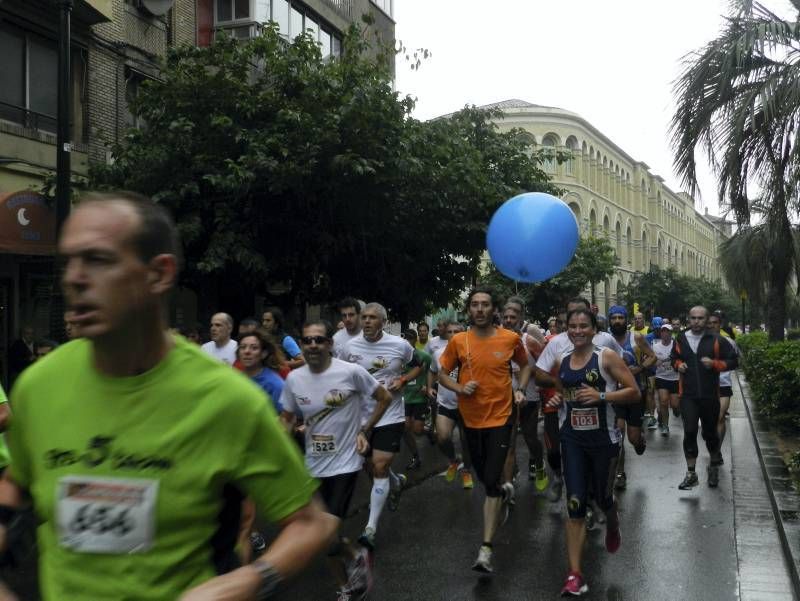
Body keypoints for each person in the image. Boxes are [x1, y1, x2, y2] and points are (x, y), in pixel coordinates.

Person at [0, 192, 337, 600]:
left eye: (99, 260)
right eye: (68, 261)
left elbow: (312, 523)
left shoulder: (227, 400)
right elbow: (16, 483)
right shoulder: (39, 386)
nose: (74, 277)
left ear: (159, 274)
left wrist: (246, 582)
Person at [280, 321, 393, 601]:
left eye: (319, 340)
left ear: (329, 344)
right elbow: (288, 418)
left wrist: (364, 429)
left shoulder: (351, 372)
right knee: (324, 537)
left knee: (325, 532)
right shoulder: (294, 380)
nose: (314, 345)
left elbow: (384, 397)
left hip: (345, 463)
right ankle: (347, 583)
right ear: (302, 345)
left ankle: (356, 558)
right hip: (313, 465)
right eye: (308, 341)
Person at [546, 308, 640, 597]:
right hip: (572, 440)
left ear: (593, 328)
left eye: (583, 326)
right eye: (572, 326)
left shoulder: (606, 357)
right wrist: (559, 398)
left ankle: (613, 525)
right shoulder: (562, 361)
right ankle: (575, 575)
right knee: (574, 503)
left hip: (604, 439)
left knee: (602, 497)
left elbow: (634, 391)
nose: (577, 331)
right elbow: (563, 394)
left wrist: (602, 396)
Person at [438, 286, 530, 574]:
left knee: (490, 476)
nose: (479, 309)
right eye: (474, 305)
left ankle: (486, 549)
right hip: (470, 418)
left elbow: (525, 366)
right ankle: (501, 491)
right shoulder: (458, 341)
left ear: (494, 310)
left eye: (485, 305)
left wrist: (521, 389)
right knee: (483, 478)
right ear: (468, 310)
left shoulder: (510, 338)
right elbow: (441, 372)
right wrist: (458, 387)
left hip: (502, 418)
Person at [340, 303, 421, 549]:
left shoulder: (400, 345)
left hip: (390, 414)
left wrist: (404, 379)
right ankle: (395, 483)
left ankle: (370, 527)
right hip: (361, 417)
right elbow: (341, 376)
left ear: (383, 322)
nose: (366, 321)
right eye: (364, 317)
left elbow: (420, 364)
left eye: (372, 318)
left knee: (380, 464)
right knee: (368, 465)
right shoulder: (349, 348)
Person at [535, 297, 624, 503]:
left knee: (595, 468)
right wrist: (563, 389)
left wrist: (606, 395)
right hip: (560, 411)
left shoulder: (605, 341)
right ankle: (560, 478)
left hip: (601, 417)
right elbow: (539, 375)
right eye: (571, 317)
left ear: (592, 321)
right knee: (555, 454)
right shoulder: (556, 343)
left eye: (582, 316)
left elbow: (623, 368)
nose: (577, 323)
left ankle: (595, 499)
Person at [672, 306, 738, 490]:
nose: (696, 321)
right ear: (689, 319)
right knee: (690, 431)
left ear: (707, 320)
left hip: (710, 396)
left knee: (709, 434)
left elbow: (734, 361)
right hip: (689, 396)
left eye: (700, 318)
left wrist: (715, 364)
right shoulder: (682, 338)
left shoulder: (717, 340)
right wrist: (679, 365)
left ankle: (714, 464)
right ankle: (691, 473)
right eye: (693, 318)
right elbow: (673, 357)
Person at [502, 297, 547, 493]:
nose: (509, 320)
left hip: (529, 397)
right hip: (505, 400)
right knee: (509, 445)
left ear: (521, 318)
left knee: (530, 438)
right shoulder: (497, 339)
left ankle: (539, 463)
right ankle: (508, 487)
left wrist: (527, 374)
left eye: (513, 316)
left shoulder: (529, 340)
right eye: (506, 316)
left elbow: (545, 365)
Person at [607, 305, 654, 491]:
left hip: (635, 394)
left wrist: (640, 368)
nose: (617, 321)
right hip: (616, 396)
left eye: (620, 317)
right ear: (610, 320)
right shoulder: (605, 340)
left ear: (626, 320)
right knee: (617, 437)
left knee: (633, 439)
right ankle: (620, 473)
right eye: (614, 318)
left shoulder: (636, 338)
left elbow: (652, 356)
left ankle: (639, 440)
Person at [428, 322, 473, 489]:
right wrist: (428, 387)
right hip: (445, 403)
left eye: (457, 331)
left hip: (467, 406)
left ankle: (467, 470)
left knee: (466, 442)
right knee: (442, 438)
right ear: (445, 334)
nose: (453, 334)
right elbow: (432, 371)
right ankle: (453, 460)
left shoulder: (471, 353)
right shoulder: (439, 353)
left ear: (464, 333)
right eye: (450, 331)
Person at [399, 329, 431, 471]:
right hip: (405, 397)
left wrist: (427, 386)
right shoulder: (399, 357)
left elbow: (432, 372)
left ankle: (430, 433)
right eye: (406, 338)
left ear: (415, 340)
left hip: (419, 397)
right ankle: (416, 456)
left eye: (411, 339)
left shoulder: (424, 356)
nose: (408, 341)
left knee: (417, 430)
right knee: (405, 428)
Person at [707, 312, 739, 449]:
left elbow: (736, 361)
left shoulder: (729, 342)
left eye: (715, 323)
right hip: (706, 386)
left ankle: (717, 450)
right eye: (710, 323)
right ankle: (712, 445)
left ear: (720, 325)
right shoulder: (700, 343)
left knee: (719, 417)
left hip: (724, 385)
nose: (712, 325)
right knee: (710, 421)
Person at [239, 329, 287, 414]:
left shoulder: (275, 385)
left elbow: (284, 419)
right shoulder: (235, 379)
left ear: (263, 354)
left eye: (254, 348)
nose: (247, 351)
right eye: (243, 347)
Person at [652, 324, 680, 435]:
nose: (665, 333)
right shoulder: (655, 346)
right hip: (661, 377)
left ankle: (677, 410)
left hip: (675, 378)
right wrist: (654, 362)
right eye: (663, 331)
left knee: (675, 405)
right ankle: (665, 425)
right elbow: (650, 359)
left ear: (671, 333)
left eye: (667, 331)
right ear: (660, 333)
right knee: (663, 402)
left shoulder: (676, 345)